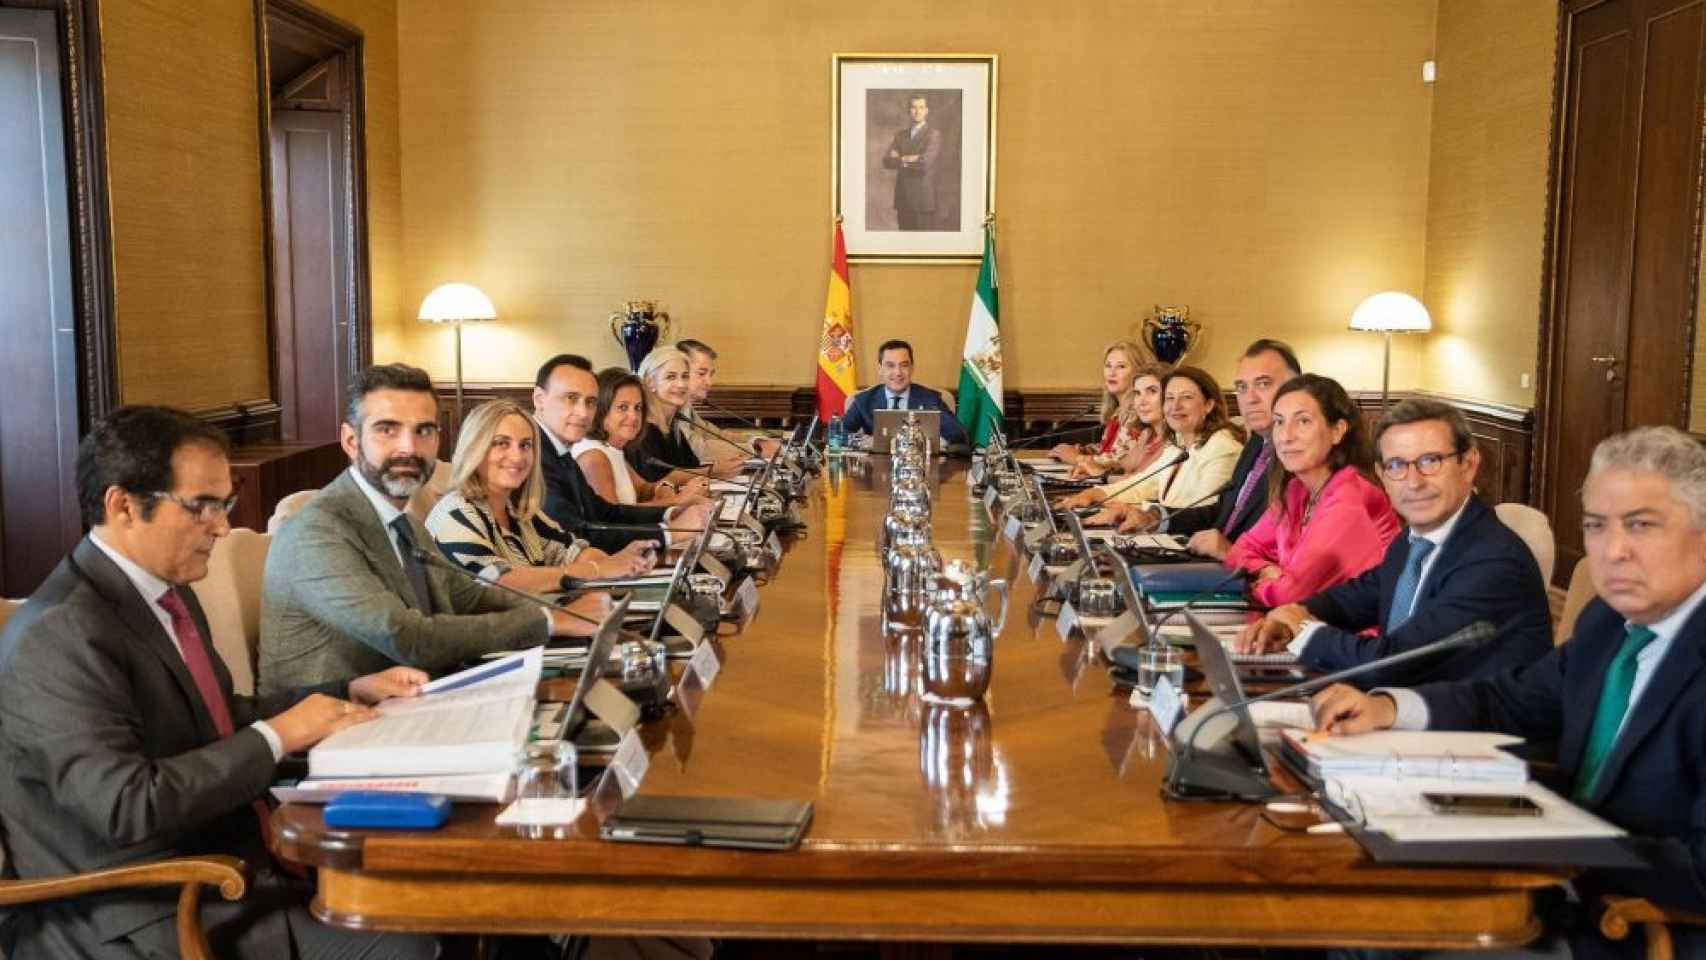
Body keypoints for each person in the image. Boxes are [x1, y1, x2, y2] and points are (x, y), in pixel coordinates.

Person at [0, 405, 436, 960]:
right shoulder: (60, 634)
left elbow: (215, 717)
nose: (223, 526)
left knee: (438, 897)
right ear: (123, 505)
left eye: (224, 504)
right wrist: (278, 735)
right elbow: (126, 806)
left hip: (227, 870)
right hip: (139, 910)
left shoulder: (165, 592)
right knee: (410, 941)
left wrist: (344, 694)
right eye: (201, 505)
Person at [1312, 426, 1706, 960]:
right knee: (1336, 912)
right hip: (1542, 889)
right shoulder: (1608, 623)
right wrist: (1389, 707)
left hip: (1632, 930)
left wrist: (1555, 843)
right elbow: (1511, 699)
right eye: (1596, 525)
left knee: (1364, 936)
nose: (1613, 551)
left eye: (1641, 525)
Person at [260, 364, 610, 694]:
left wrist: (567, 611)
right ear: (351, 441)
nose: (409, 447)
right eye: (387, 430)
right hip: (336, 723)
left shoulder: (405, 524)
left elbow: (471, 596)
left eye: (423, 431)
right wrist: (548, 622)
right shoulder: (316, 531)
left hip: (416, 699)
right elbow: (406, 637)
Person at [1236, 399, 1553, 686]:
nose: (1414, 482)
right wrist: (1292, 614)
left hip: (1465, 726)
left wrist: (1304, 630)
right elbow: (1358, 596)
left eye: (1430, 461)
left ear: (1468, 464)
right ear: (1382, 475)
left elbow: (1393, 665)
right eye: (1397, 465)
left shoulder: (1492, 562)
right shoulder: (1413, 541)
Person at [426, 398, 656, 594]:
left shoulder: (520, 512)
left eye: (526, 445)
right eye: (501, 443)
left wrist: (620, 563)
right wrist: (597, 570)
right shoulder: (456, 513)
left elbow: (575, 552)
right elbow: (498, 582)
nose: (517, 457)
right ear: (474, 447)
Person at [1222, 374, 1400, 608]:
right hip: (1302, 620)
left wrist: (1256, 583)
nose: (1286, 437)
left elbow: (1288, 596)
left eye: (1303, 421)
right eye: (1279, 422)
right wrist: (1265, 569)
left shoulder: (1351, 495)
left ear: (1337, 431)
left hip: (1355, 627)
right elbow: (1240, 550)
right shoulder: (1296, 490)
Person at [533, 353, 714, 556]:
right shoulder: (536, 455)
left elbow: (606, 512)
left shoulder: (558, 450)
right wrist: (670, 532)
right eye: (571, 398)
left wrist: (671, 512)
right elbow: (577, 535)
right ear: (539, 399)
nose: (583, 413)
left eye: (590, 402)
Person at [1158, 338, 1301, 551]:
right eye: (1242, 387)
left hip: (1243, 567)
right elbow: (1224, 512)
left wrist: (1231, 552)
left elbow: (1289, 551)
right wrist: (1158, 518)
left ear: (1296, 388)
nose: (1250, 398)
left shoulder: (1303, 457)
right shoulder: (1257, 443)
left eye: (1263, 384)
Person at [1069, 366, 1243, 528]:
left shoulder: (1222, 448)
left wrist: (1145, 514)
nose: (1175, 406)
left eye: (1187, 397)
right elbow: (1142, 485)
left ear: (1208, 405)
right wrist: (1094, 494)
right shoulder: (1179, 445)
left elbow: (1202, 514)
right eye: (1169, 398)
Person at [575, 367, 712, 507]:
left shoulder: (611, 449)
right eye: (623, 407)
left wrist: (663, 487)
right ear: (600, 410)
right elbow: (612, 515)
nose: (634, 416)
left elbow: (642, 490)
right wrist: (680, 500)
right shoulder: (593, 457)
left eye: (638, 408)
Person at [1048, 342, 1166, 477]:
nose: (1112, 372)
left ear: (1138, 372)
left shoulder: (1139, 413)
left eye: (1121, 366)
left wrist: (1078, 458)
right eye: (1108, 366)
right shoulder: (1119, 411)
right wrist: (1082, 450)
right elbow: (1109, 448)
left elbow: (1119, 461)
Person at [631, 346, 744, 483]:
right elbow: (657, 480)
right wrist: (713, 471)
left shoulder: (673, 428)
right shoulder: (642, 429)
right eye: (671, 377)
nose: (681, 384)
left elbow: (692, 467)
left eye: (685, 376)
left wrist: (722, 468)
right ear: (650, 383)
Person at [840, 338, 970, 445]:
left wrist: (928, 442)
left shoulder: (929, 398)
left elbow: (959, 434)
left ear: (912, 368)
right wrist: (864, 441)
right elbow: (838, 433)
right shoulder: (864, 400)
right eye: (890, 366)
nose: (898, 372)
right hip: (876, 465)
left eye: (904, 365)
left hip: (918, 465)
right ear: (880, 369)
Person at [679, 338, 783, 460]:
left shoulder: (686, 406)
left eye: (711, 375)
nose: (709, 382)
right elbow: (696, 449)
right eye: (701, 373)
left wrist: (756, 441)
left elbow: (717, 435)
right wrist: (755, 449)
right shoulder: (669, 408)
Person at [883, 92, 943, 231]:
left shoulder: (933, 135)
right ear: (909, 111)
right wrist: (908, 158)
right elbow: (887, 161)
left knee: (923, 243)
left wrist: (900, 159)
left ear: (926, 111)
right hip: (903, 199)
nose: (917, 111)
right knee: (903, 242)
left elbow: (924, 164)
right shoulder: (900, 135)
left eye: (921, 107)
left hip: (922, 201)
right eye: (914, 107)